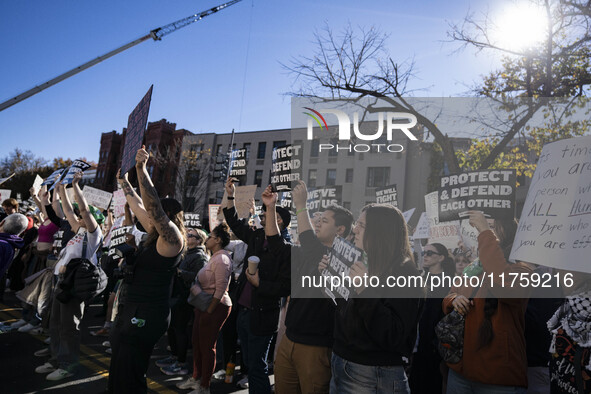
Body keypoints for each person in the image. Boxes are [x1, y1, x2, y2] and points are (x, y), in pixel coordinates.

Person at [107, 147, 186, 393]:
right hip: (131, 310)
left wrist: (142, 170)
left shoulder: (173, 241)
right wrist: (124, 182)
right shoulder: (153, 234)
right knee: (119, 366)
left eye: (160, 213)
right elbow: (139, 204)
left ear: (168, 216)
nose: (148, 217)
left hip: (146, 316)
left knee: (130, 373)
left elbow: (152, 208)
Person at [264, 182, 354, 394]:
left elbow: (308, 240)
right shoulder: (305, 253)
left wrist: (301, 206)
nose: (317, 223)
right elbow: (275, 243)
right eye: (317, 219)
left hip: (317, 348)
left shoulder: (344, 261)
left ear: (340, 230)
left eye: (324, 221)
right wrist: (270, 208)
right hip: (290, 339)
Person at [326, 203, 425, 394]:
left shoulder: (405, 273)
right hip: (342, 361)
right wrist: (331, 278)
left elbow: (393, 335)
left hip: (371, 373)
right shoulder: (363, 263)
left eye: (362, 225)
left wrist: (364, 289)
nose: (355, 229)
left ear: (380, 231)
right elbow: (345, 312)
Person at [442, 211, 534, 393]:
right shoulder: (474, 267)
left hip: (498, 377)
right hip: (460, 371)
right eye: (484, 229)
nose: (482, 233)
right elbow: (450, 295)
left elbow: (502, 283)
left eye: (491, 228)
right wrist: (454, 300)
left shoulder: (522, 270)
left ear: (507, 232)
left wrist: (484, 230)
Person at [221, 177, 291, 394]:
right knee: (249, 364)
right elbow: (233, 222)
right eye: (263, 214)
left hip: (262, 316)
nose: (262, 217)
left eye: (269, 214)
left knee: (257, 368)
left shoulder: (286, 249)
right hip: (244, 310)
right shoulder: (257, 236)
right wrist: (230, 195)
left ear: (279, 221)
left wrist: (260, 283)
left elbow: (285, 287)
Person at [34, 172, 104, 381]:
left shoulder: (93, 234)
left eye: (83, 216)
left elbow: (82, 208)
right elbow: (67, 210)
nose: (78, 217)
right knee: (55, 323)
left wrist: (76, 185)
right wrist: (63, 188)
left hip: (74, 284)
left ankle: (67, 364)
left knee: (69, 327)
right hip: (61, 282)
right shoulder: (77, 230)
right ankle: (56, 359)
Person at [179, 223, 233, 393]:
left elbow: (221, 288)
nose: (207, 239)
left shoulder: (222, 259)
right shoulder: (215, 257)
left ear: (217, 240)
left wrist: (210, 310)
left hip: (214, 307)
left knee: (207, 347)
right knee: (197, 343)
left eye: (209, 237)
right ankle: (196, 378)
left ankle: (204, 386)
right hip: (204, 305)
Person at [157, 228, 209, 376]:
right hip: (174, 295)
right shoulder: (185, 252)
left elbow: (200, 277)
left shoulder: (200, 256)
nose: (187, 235)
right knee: (172, 328)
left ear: (199, 240)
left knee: (180, 330)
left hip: (184, 298)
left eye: (191, 235)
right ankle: (173, 356)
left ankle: (181, 363)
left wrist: (181, 273)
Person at [410, 243, 454, 394]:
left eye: (430, 253)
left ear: (441, 258)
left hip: (435, 342)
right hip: (417, 341)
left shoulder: (449, 281)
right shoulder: (420, 277)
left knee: (431, 382)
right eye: (424, 253)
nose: (425, 256)